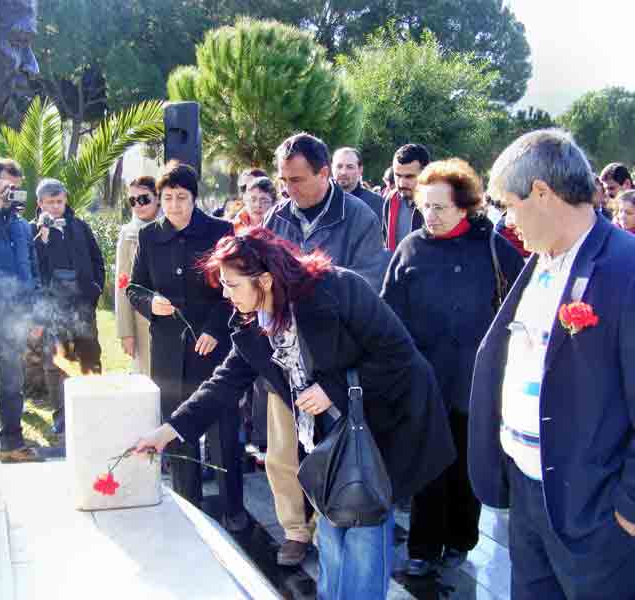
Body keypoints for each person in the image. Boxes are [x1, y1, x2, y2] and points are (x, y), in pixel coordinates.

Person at [134, 228, 455, 600]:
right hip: (332, 434)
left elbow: (399, 354)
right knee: (333, 527)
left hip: (383, 423)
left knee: (365, 528)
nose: (225, 294)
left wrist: (333, 389)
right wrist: (168, 432)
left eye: (232, 284)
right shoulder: (256, 323)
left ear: (265, 280)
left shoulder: (337, 290)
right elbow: (223, 384)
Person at [470, 129, 635, 599]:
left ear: (541, 193)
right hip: (527, 494)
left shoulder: (626, 268)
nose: (506, 219)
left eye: (509, 203)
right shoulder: (541, 258)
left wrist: (628, 509)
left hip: (595, 513)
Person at [381, 158, 523, 576]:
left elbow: (519, 306)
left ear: (465, 206)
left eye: (440, 207)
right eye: (425, 206)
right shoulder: (411, 247)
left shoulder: (495, 248)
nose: (431, 215)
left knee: (467, 467)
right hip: (425, 380)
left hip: (477, 382)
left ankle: (462, 539)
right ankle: (423, 549)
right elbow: (389, 313)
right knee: (428, 466)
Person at [262, 132, 389, 565]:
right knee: (281, 451)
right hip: (286, 354)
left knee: (333, 450)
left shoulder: (360, 218)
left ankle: (328, 524)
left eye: (296, 180)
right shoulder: (277, 218)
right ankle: (295, 529)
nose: (288, 189)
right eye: (283, 180)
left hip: (336, 360)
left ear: (323, 173)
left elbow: (368, 287)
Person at [126, 162, 247, 531]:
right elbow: (135, 287)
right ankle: (188, 504)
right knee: (178, 428)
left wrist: (215, 329)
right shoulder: (150, 236)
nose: (175, 206)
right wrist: (150, 304)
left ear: (195, 198)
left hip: (213, 347)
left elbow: (236, 289)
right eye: (168, 198)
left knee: (223, 429)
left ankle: (233, 507)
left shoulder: (221, 232)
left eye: (182, 198)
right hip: (168, 350)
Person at [29, 178, 104, 436]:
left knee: (90, 355)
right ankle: (61, 416)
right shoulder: (32, 231)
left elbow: (97, 259)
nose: (56, 207)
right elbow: (32, 267)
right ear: (40, 203)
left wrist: (96, 289)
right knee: (56, 363)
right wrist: (43, 239)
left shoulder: (80, 227)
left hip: (82, 303)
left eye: (59, 201)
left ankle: (92, 412)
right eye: (50, 202)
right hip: (53, 307)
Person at [0, 168, 39, 462]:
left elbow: (33, 270)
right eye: (5, 186)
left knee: (12, 384)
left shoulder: (22, 225)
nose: (10, 193)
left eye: (15, 187)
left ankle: (11, 445)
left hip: (16, 317)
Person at [115, 176, 162, 375]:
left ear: (158, 197)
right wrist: (126, 332)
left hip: (176, 317)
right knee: (149, 383)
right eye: (132, 201)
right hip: (143, 321)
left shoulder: (174, 226)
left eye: (143, 199)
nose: (138, 205)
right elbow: (123, 284)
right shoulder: (128, 233)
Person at [383, 144, 430, 251]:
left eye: (409, 176)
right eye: (398, 175)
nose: (402, 183)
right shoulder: (391, 200)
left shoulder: (443, 204)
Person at [331, 146, 384, 219]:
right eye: (339, 166)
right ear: (332, 168)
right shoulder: (320, 200)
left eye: (350, 167)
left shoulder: (376, 203)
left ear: (360, 170)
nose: (343, 172)